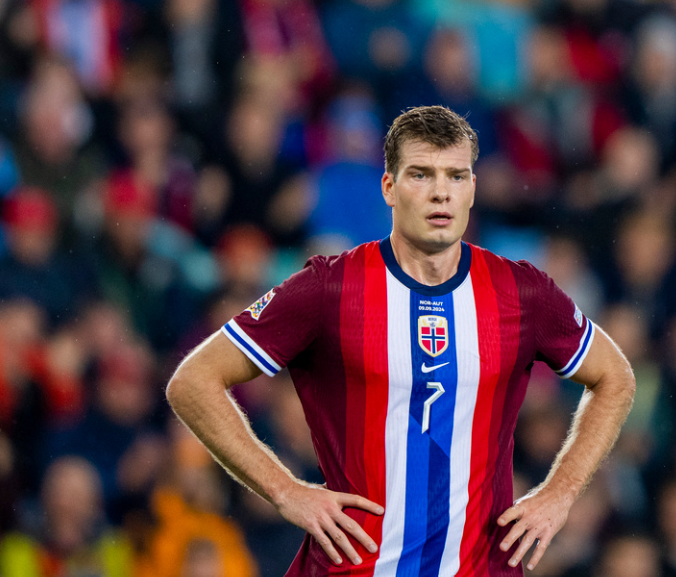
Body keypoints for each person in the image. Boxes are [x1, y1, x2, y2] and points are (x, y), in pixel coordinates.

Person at [165, 105, 636, 576]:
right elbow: (193, 381)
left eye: (456, 176)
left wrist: (560, 494)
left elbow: (614, 376)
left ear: (472, 189)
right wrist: (287, 491)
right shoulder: (330, 287)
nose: (440, 193)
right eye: (420, 175)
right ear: (388, 187)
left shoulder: (522, 291)